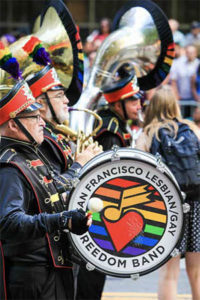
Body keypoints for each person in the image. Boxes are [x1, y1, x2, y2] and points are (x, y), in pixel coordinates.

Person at [0, 47, 93, 300]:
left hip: (51, 268)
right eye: (33, 117)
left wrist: (74, 220)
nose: (42, 122)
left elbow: (50, 195)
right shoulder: (10, 166)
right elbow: (9, 222)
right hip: (32, 278)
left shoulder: (29, 155)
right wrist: (62, 219)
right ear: (12, 124)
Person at [75, 72, 142, 300]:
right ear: (118, 103)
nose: (138, 105)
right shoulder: (110, 130)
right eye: (133, 100)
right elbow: (109, 177)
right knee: (91, 274)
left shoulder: (114, 122)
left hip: (105, 210)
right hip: (100, 211)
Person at [135, 85, 200, 300]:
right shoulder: (192, 129)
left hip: (167, 206)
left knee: (169, 273)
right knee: (197, 272)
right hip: (197, 202)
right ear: (175, 106)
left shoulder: (147, 134)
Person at [170, 44, 200, 117]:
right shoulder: (178, 64)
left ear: (196, 53)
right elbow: (174, 82)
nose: (189, 55)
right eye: (188, 52)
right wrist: (176, 98)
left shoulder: (198, 64)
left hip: (195, 100)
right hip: (182, 99)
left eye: (191, 53)